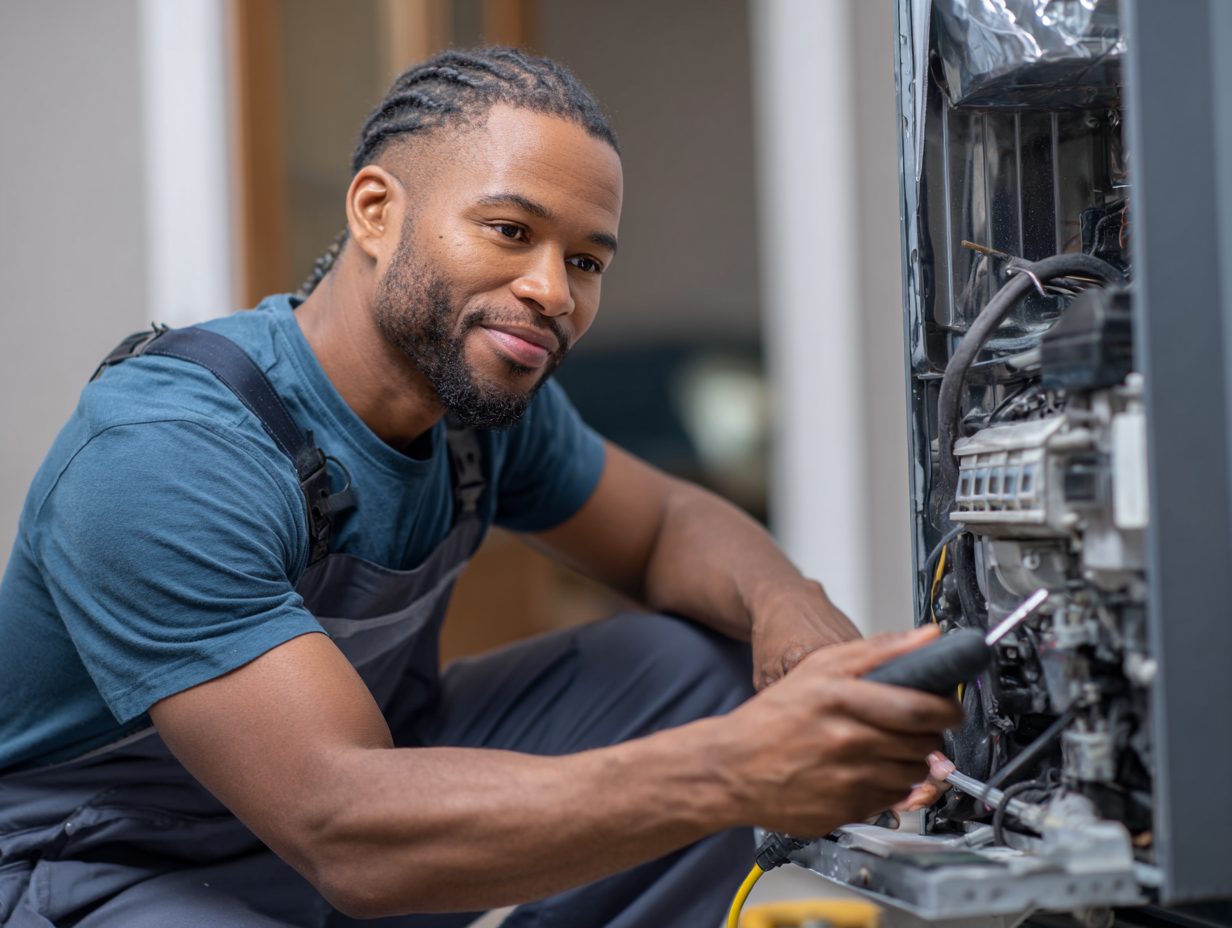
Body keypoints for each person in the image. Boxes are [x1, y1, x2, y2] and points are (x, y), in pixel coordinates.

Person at [0, 47, 959, 928]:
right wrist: (738, 770)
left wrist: (787, 607)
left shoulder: (475, 404)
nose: (553, 290)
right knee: (707, 743)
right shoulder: (169, 452)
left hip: (348, 818)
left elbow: (667, 524)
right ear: (376, 210)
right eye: (510, 230)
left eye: (585, 261)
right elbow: (342, 826)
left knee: (700, 670)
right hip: (107, 865)